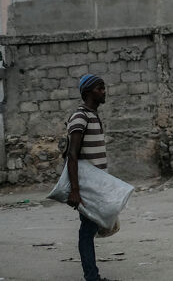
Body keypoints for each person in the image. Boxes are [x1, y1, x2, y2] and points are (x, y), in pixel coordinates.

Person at [66, 74, 115, 281]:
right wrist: (75, 190)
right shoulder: (80, 117)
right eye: (99, 88)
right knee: (87, 230)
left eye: (103, 87)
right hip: (86, 187)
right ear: (87, 92)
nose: (103, 91)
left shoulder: (93, 115)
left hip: (96, 185)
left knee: (90, 228)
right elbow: (72, 154)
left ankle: (92, 275)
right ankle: (92, 277)